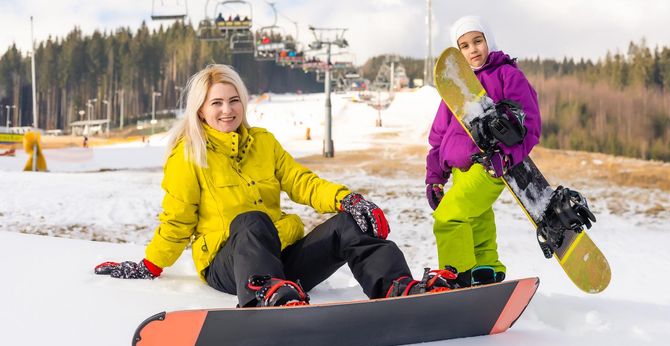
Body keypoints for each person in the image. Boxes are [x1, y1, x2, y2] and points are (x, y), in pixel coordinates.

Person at [95, 64, 456, 307]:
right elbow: (176, 219)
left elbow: (301, 182)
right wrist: (151, 265)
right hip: (229, 266)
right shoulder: (189, 155)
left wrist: (347, 200)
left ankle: (397, 288)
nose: (227, 110)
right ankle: (263, 294)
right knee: (252, 220)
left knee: (348, 225)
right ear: (200, 110)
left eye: (234, 100)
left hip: (282, 264)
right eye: (216, 102)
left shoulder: (263, 142)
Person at [425, 16, 542, 288]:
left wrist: (506, 156)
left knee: (449, 217)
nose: (473, 49)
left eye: (478, 41)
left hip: (489, 166)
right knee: (476, 220)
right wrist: (435, 177)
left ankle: (457, 277)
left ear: (489, 40)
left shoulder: (507, 75)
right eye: (464, 45)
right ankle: (485, 270)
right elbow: (438, 137)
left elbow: (529, 124)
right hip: (458, 169)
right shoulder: (454, 86)